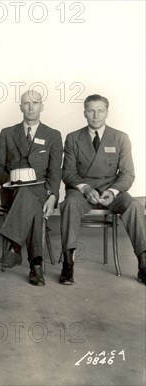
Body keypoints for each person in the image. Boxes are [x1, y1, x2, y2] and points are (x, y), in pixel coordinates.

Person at [59, 94, 146, 285]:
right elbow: (68, 172)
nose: (95, 115)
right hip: (82, 189)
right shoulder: (73, 138)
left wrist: (113, 191)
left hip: (111, 189)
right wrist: (85, 188)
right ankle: (68, 264)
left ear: (107, 112)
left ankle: (143, 263)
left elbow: (127, 173)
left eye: (100, 111)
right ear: (84, 113)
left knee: (135, 206)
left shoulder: (120, 137)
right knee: (69, 204)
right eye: (91, 110)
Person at [0, 90, 63, 286]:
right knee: (27, 195)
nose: (31, 107)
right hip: (12, 191)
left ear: (42, 106)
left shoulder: (53, 135)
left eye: (35, 102)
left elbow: (55, 172)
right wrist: (9, 180)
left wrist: (53, 196)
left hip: (42, 191)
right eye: (26, 103)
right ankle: (36, 265)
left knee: (32, 196)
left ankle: (16, 250)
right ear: (20, 107)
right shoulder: (7, 133)